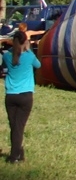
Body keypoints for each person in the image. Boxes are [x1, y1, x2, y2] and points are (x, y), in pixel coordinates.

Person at [3, 28, 41, 163]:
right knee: (18, 127)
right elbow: (39, 65)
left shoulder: (7, 56)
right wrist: (28, 49)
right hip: (25, 96)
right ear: (25, 42)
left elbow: (4, 66)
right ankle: (15, 156)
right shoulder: (29, 56)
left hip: (11, 95)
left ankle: (19, 153)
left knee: (14, 126)